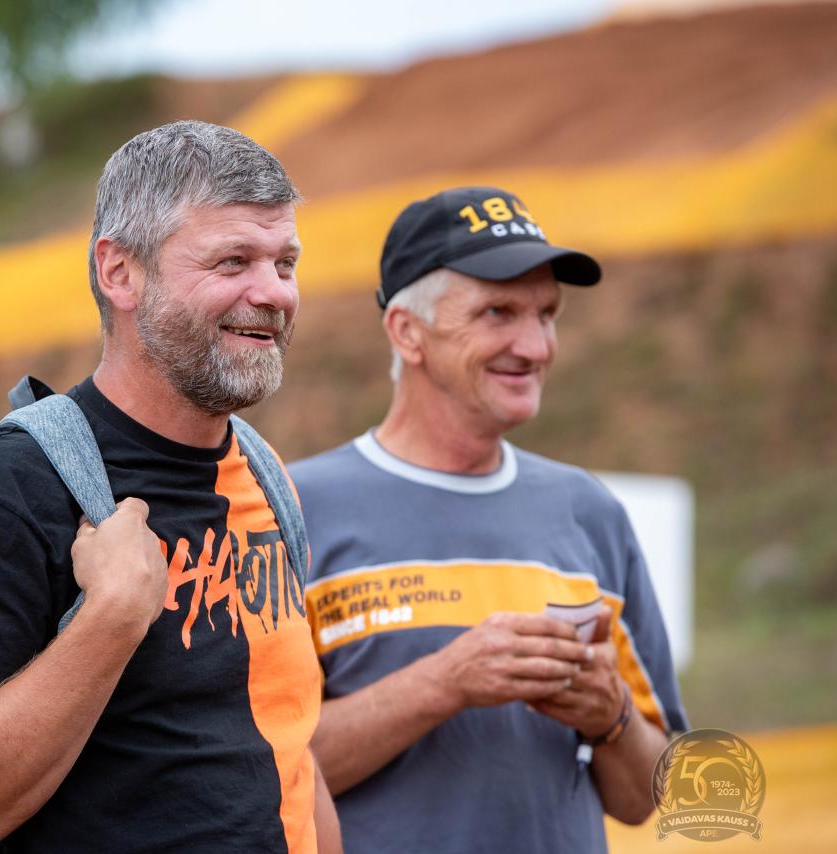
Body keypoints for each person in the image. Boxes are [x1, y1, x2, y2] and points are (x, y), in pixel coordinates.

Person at [0, 121, 341, 854]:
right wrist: (112, 618)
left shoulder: (265, 475)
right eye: (232, 261)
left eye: (284, 262)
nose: (273, 293)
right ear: (120, 272)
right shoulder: (5, 491)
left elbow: (290, 744)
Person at [289, 186, 688, 853]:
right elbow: (261, 771)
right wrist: (446, 682)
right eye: (498, 312)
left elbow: (645, 796)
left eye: (547, 314)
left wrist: (611, 714)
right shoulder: (295, 509)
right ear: (407, 332)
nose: (535, 346)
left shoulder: (588, 510)